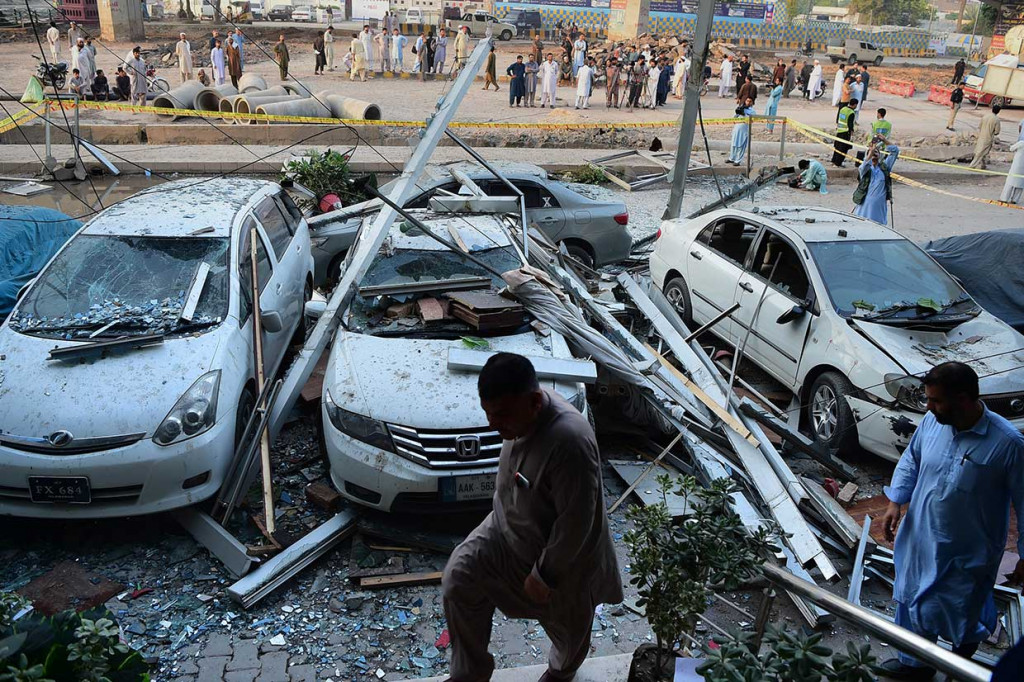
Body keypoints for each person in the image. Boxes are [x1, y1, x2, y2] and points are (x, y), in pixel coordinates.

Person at [442, 353, 622, 682]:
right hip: (504, 530)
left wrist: (545, 574)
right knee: (458, 579)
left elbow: (576, 522)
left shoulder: (570, 442)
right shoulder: (521, 416)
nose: (492, 425)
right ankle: (469, 674)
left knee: (569, 631)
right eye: (488, 414)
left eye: (502, 415)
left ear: (536, 402)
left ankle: (560, 672)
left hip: (558, 556)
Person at [878, 362, 1024, 680]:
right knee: (911, 598)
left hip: (968, 551)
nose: (928, 407)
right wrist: (894, 501)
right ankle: (914, 665)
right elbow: (912, 459)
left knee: (963, 609)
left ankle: (960, 664)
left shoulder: (1008, 444)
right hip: (920, 536)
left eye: (935, 401)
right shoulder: (932, 422)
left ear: (963, 399)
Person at [852, 144, 899, 225]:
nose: (874, 154)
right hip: (865, 208)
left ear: (880, 155)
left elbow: (895, 151)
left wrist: (884, 141)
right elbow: (864, 165)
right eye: (872, 153)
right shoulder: (865, 170)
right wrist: (871, 152)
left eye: (876, 152)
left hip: (879, 208)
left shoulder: (884, 168)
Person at [1000, 120, 1024, 204]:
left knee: (1010, 182)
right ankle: (1015, 199)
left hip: (1016, 166)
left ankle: (1004, 198)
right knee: (1021, 184)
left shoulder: (1021, 143)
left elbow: (1011, 148)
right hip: (1023, 169)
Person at [970, 105, 1001, 169]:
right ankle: (972, 165)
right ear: (998, 111)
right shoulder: (996, 119)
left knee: (981, 151)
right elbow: (997, 132)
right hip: (988, 138)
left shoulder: (985, 116)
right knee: (981, 152)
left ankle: (983, 165)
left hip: (981, 136)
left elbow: (980, 126)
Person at [728, 98, 756, 166]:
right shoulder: (741, 107)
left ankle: (738, 161)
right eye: (747, 101)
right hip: (737, 128)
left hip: (744, 130)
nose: (748, 102)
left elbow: (752, 120)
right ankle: (731, 158)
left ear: (752, 103)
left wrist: (744, 114)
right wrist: (738, 113)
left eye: (750, 101)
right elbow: (734, 118)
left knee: (741, 145)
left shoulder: (752, 111)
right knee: (734, 144)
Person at [832, 98, 857, 167]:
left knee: (837, 146)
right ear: (855, 105)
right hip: (845, 132)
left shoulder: (843, 109)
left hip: (839, 130)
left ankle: (834, 160)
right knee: (843, 148)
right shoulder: (851, 113)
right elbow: (850, 124)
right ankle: (838, 163)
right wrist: (851, 131)